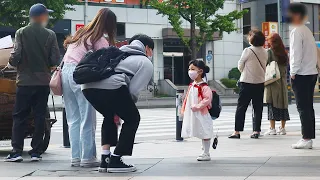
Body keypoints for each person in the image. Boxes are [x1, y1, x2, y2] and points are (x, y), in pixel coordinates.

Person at [82, 34, 154, 173]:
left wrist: (119, 110)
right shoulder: (145, 62)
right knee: (133, 119)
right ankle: (116, 160)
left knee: (109, 116)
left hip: (87, 87)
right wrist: (124, 110)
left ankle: (105, 160)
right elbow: (132, 91)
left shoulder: (118, 54)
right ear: (147, 48)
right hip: (112, 87)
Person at [62, 8, 117, 167]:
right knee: (87, 118)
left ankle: (75, 157)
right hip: (80, 75)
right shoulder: (98, 38)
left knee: (73, 119)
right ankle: (88, 158)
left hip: (65, 72)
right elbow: (109, 59)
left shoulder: (81, 33)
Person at [5, 4, 60, 162]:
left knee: (20, 116)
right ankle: (36, 152)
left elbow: (15, 56)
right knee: (40, 116)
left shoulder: (21, 32)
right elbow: (54, 59)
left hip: (24, 82)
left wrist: (12, 62)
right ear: (41, 17)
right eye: (46, 15)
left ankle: (16, 152)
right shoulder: (50, 35)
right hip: (43, 82)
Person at [288, 3, 318, 149]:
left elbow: (295, 53)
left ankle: (306, 138)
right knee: (308, 106)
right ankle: (308, 137)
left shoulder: (296, 31)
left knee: (302, 106)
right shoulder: (307, 31)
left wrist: (293, 71)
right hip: (311, 72)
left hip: (301, 74)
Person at [228, 29, 267, 139]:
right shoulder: (265, 51)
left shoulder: (248, 50)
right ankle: (256, 131)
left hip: (246, 82)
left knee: (242, 107)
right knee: (257, 107)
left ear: (252, 39)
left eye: (250, 36)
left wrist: (245, 72)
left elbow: (240, 64)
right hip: (260, 82)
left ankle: (237, 131)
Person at [181, 60, 213, 161]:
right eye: (189, 69)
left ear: (200, 71)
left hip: (202, 113)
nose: (190, 71)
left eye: (193, 69)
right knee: (201, 131)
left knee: (205, 131)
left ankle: (206, 152)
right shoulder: (192, 85)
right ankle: (204, 151)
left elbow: (207, 99)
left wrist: (198, 106)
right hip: (195, 112)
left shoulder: (204, 86)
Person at [264, 33, 290, 136]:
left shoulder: (270, 52)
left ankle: (272, 128)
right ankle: (282, 128)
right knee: (283, 104)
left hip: (272, 81)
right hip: (282, 81)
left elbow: (266, 65)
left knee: (272, 104)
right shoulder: (284, 53)